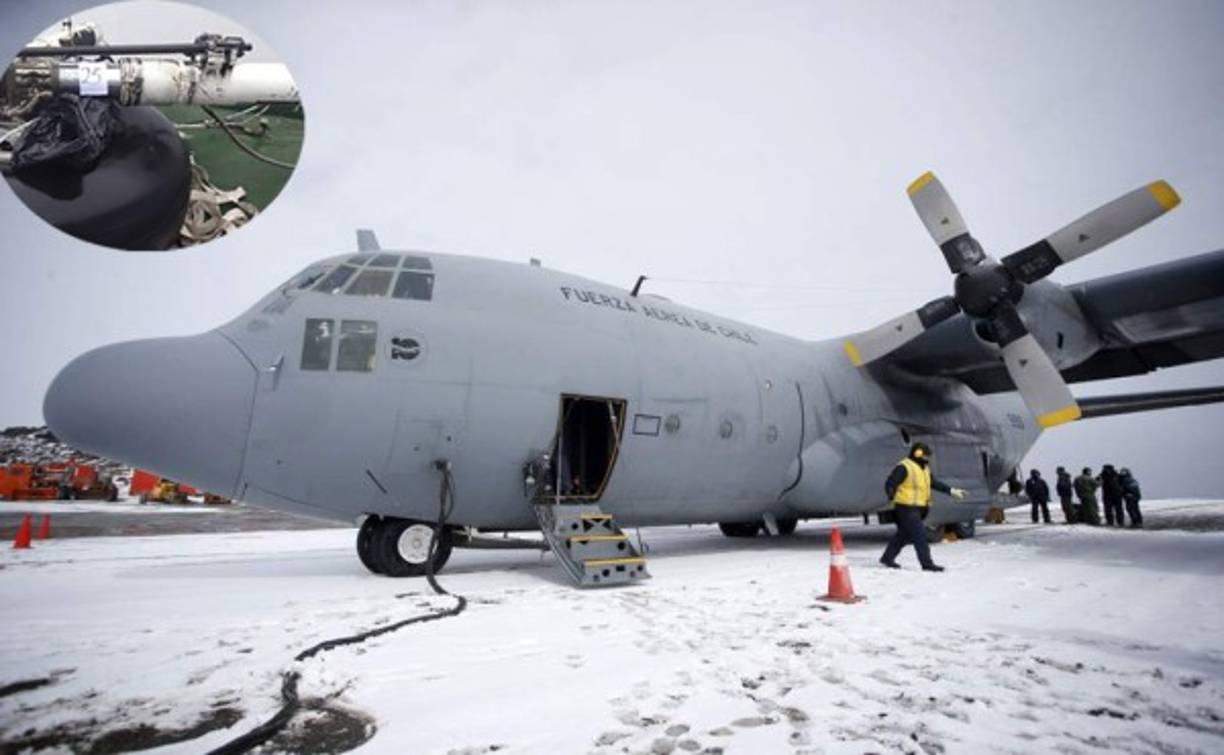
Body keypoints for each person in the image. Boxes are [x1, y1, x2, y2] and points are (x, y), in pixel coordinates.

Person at [879, 442, 968, 572]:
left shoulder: (924, 468)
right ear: (918, 453)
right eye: (926, 455)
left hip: (919, 508)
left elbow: (933, 483)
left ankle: (887, 558)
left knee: (903, 534)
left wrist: (951, 491)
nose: (928, 459)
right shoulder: (904, 467)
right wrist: (891, 493)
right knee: (919, 535)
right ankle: (927, 563)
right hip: (906, 507)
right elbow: (891, 482)